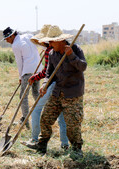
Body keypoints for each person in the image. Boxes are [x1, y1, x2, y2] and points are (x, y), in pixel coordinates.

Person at [33, 25, 87, 160]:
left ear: (60, 41)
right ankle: (42, 145)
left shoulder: (75, 49)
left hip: (72, 94)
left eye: (51, 41)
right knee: (45, 118)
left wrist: (71, 56)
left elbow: (83, 66)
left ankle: (76, 148)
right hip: (58, 93)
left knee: (73, 124)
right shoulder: (52, 54)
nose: (49, 44)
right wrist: (45, 85)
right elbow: (49, 73)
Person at [21, 25, 69, 150]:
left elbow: (47, 73)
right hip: (64, 86)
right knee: (61, 115)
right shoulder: (56, 50)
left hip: (53, 85)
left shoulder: (50, 51)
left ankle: (34, 138)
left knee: (36, 109)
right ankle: (65, 144)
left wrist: (36, 77)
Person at [2, 27, 42, 129]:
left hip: (28, 71)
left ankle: (26, 120)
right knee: (36, 93)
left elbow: (19, 62)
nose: (7, 41)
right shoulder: (28, 35)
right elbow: (39, 43)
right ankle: (41, 117)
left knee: (23, 97)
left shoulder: (15, 45)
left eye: (7, 39)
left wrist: (20, 76)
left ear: (11, 36)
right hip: (38, 69)